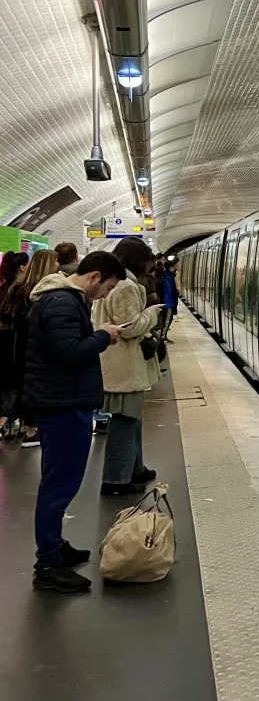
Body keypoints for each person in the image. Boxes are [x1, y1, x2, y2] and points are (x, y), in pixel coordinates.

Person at [23, 251, 124, 592]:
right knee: (58, 486)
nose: (105, 294)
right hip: (62, 405)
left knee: (61, 483)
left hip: (64, 401)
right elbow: (70, 351)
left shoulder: (64, 300)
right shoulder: (63, 303)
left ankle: (54, 548)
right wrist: (104, 336)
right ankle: (48, 565)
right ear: (95, 277)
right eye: (107, 287)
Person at [93, 237, 162, 496]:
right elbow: (129, 327)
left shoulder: (115, 283)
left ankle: (135, 468)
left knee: (132, 418)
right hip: (123, 363)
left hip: (114, 361)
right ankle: (115, 479)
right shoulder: (126, 286)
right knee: (125, 420)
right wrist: (152, 313)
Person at [0, 249, 59, 445]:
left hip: (14, 344)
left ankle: (20, 423)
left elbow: (7, 316)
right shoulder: (40, 292)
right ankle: (31, 428)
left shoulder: (16, 288)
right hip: (32, 344)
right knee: (33, 384)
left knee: (19, 384)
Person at [159, 256, 179, 343]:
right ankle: (163, 338)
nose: (176, 268)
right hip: (168, 303)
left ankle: (163, 336)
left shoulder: (167, 275)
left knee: (167, 320)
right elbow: (170, 291)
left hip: (167, 302)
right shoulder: (169, 277)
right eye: (175, 266)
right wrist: (171, 304)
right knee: (167, 320)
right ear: (171, 267)